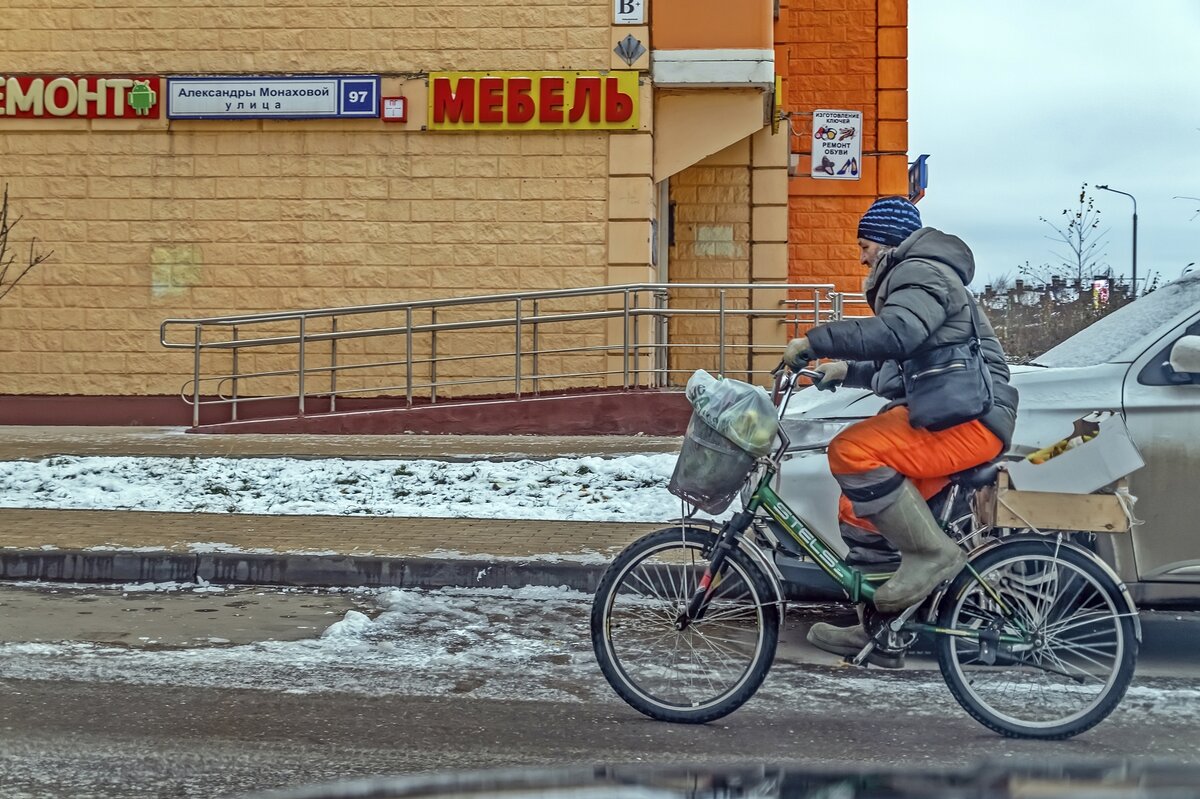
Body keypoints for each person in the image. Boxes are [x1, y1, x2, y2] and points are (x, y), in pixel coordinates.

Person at [783, 196, 1019, 668]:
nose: (861, 256)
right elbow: (898, 363)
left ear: (888, 241)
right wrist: (843, 369)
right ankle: (880, 633)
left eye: (865, 243)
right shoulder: (913, 277)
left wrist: (816, 339)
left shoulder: (921, 271)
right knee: (859, 508)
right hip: (948, 414)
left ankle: (932, 555)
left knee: (853, 450)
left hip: (970, 419)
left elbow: (897, 334)